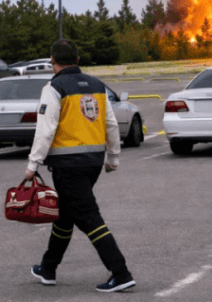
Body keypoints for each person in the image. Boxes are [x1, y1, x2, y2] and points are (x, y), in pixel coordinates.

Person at [25, 39, 135, 293]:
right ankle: (48, 267)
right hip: (93, 163)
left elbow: (45, 129)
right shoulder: (96, 85)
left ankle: (120, 272)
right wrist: (113, 157)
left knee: (88, 217)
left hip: (67, 166)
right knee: (65, 216)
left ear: (53, 61)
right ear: (77, 60)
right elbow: (111, 124)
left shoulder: (54, 87)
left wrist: (33, 164)